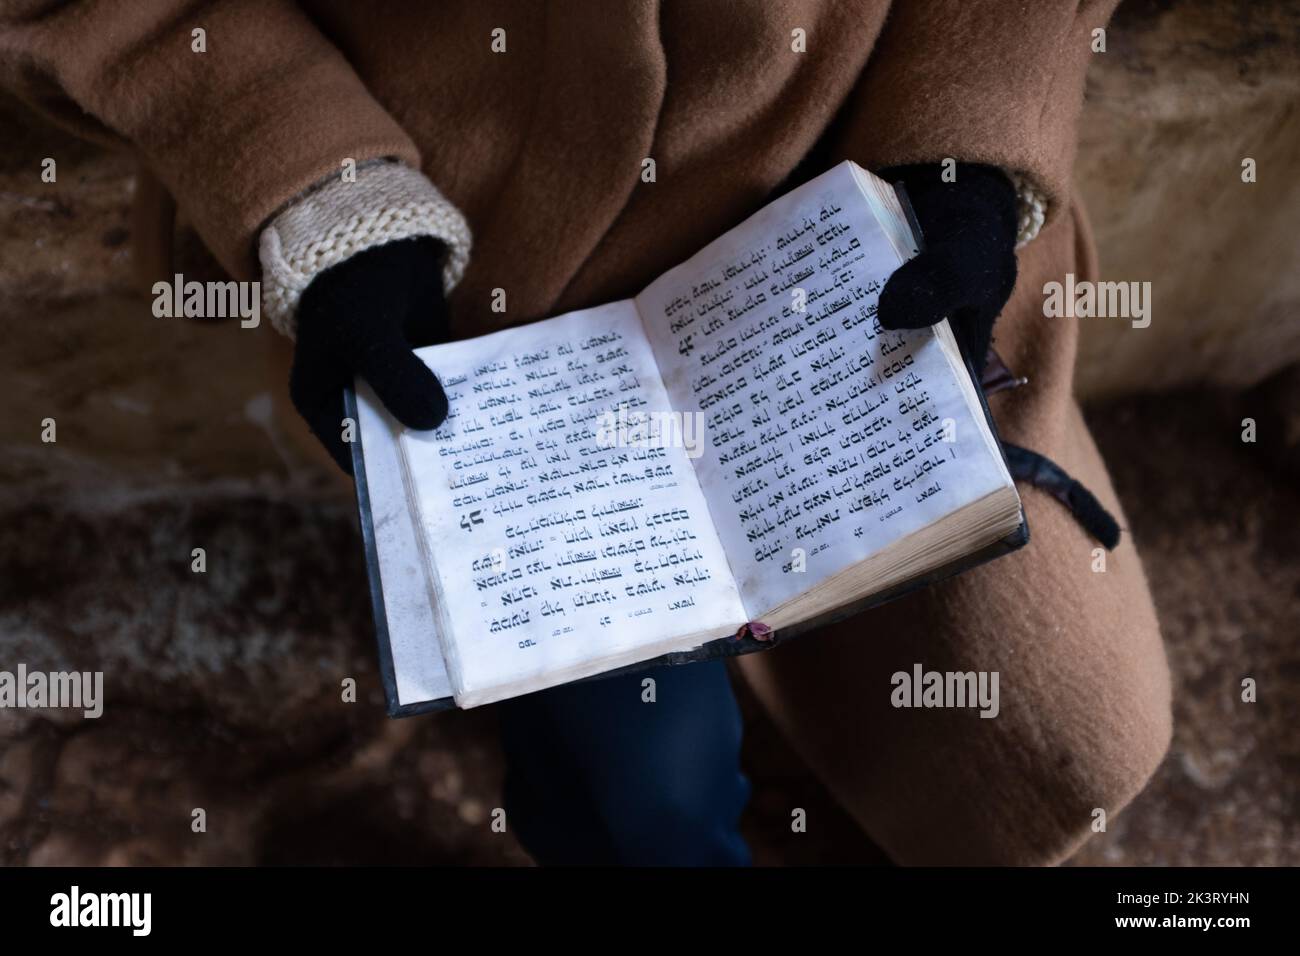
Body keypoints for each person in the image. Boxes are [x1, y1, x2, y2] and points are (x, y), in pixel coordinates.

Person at [1, 0, 1171, 865]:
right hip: (479, 284)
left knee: (1065, 744)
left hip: (858, 245)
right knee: (643, 803)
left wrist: (967, 137)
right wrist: (325, 192)